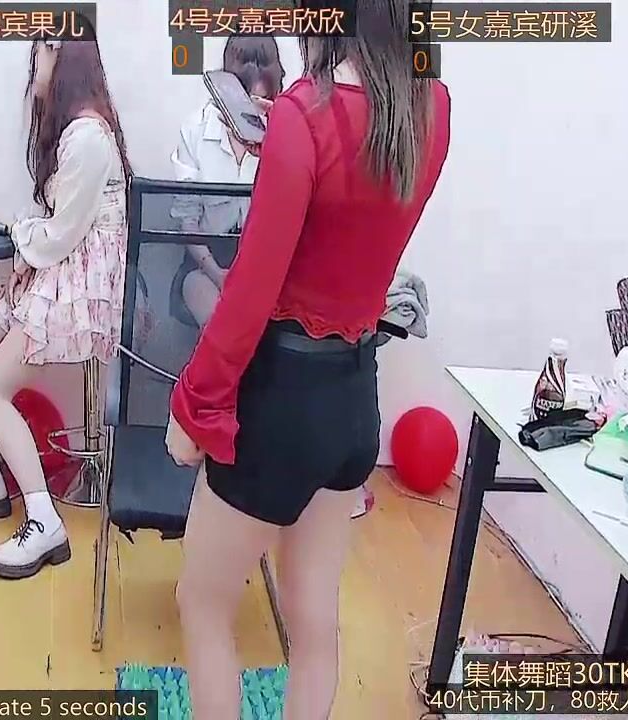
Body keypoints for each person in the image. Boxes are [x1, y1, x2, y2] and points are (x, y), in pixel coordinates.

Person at [163, 1, 452, 716]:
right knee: (315, 619)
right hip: (354, 399)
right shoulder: (432, 109)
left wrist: (194, 407)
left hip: (280, 404)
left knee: (203, 603)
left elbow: (249, 293)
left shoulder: (305, 116)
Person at [0, 36, 131, 580]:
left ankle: (44, 522)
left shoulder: (88, 137)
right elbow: (60, 228)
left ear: (66, 58)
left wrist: (16, 231)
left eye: (41, 50)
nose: (33, 63)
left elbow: (60, 236)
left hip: (74, 286)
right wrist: (15, 229)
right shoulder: (75, 133)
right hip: (56, 272)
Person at [170, 37, 284, 327]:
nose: (251, 117)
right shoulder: (196, 129)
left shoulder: (285, 131)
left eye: (258, 105)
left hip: (268, 267)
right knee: (222, 323)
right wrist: (217, 273)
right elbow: (188, 220)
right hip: (207, 263)